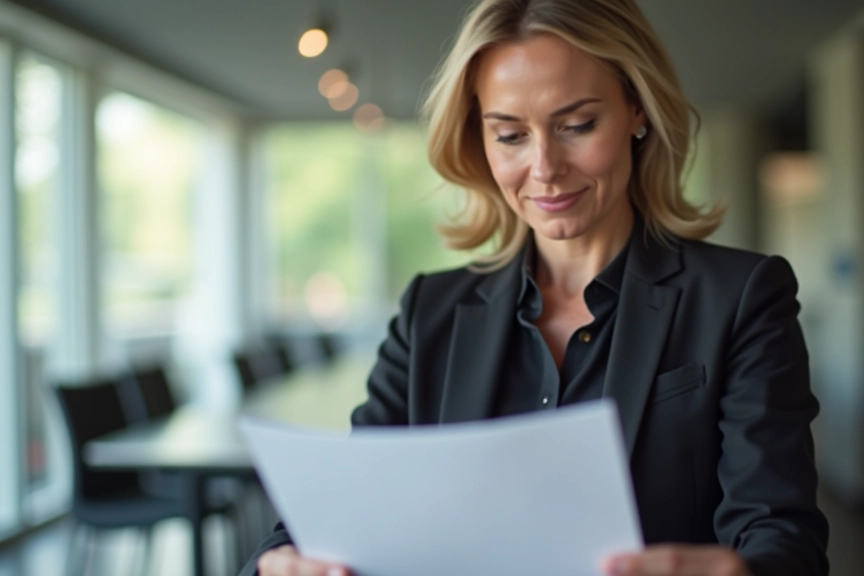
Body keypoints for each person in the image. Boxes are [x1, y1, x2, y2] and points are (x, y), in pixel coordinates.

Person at [246, 0, 829, 574]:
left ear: (638, 110)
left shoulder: (742, 297)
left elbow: (783, 539)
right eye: (510, 135)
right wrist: (283, 562)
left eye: (577, 126)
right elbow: (344, 508)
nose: (545, 168)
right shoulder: (429, 312)